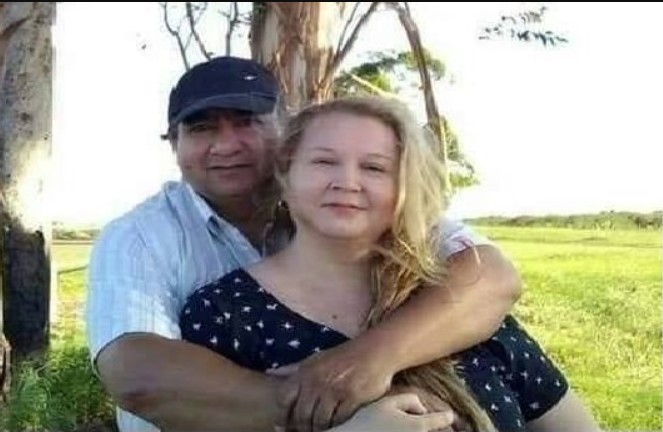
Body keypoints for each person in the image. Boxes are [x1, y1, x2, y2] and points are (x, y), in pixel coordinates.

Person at [86, 56, 522, 432]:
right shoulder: (139, 237)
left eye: (247, 122)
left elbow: (491, 277)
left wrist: (371, 360)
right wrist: (331, 404)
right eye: (202, 128)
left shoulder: (342, 207)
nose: (226, 145)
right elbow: (136, 372)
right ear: (174, 143)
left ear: (283, 128)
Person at [180, 96, 602, 432]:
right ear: (286, 178)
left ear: (403, 189)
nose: (347, 181)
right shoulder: (222, 314)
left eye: (374, 168)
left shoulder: (455, 302)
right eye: (324, 161)